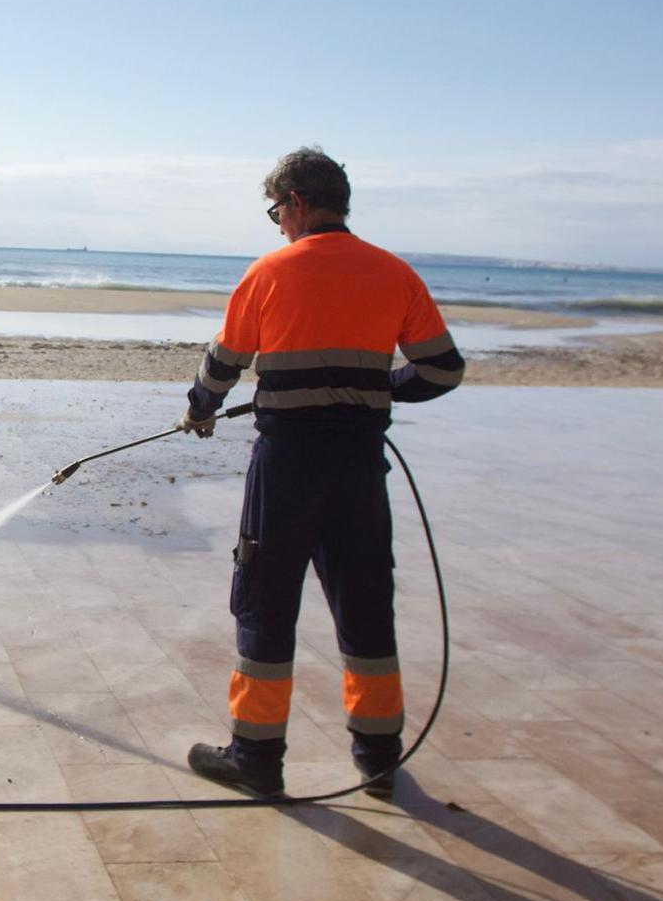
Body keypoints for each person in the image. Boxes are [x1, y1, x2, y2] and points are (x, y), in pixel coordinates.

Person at [181, 147, 463, 800]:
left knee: (263, 604)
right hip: (359, 469)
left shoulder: (269, 272)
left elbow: (223, 363)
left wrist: (199, 408)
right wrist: (377, 385)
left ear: (299, 203)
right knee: (366, 608)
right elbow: (443, 370)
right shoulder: (394, 274)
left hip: (286, 469)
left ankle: (255, 758)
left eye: (277, 211)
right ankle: (378, 760)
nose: (278, 223)